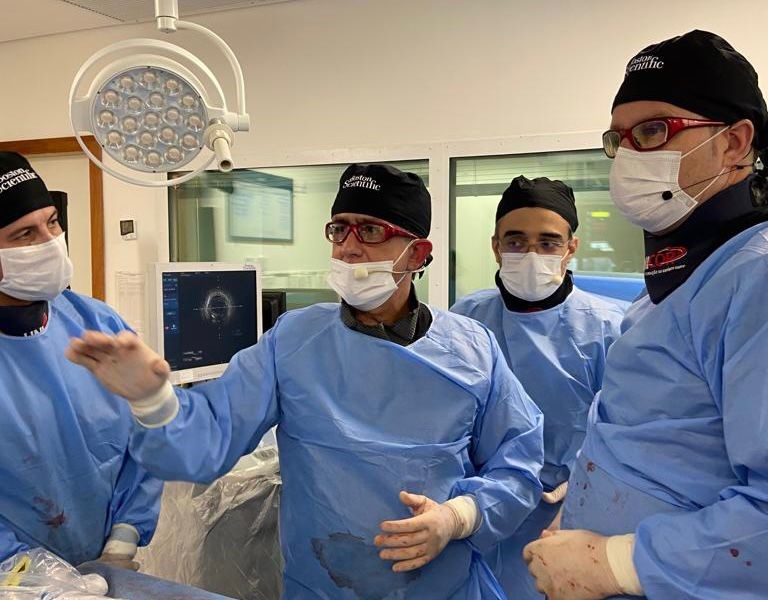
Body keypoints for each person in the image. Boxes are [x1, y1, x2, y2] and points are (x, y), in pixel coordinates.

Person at [67, 163, 545, 599]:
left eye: (371, 230)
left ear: (417, 253)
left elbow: (519, 463)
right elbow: (209, 437)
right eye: (339, 229)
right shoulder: (294, 341)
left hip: (443, 587)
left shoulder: (471, 350)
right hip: (323, 586)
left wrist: (458, 517)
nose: (349, 246)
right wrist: (153, 399)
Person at [522, 30, 768, 600]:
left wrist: (611, 562)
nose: (631, 155)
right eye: (621, 138)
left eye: (654, 131)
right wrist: (587, 497)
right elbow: (656, 440)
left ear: (735, 143)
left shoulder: (754, 280)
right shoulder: (679, 281)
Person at [452, 175, 624, 599]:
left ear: (571, 247)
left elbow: (626, 429)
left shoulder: (610, 329)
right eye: (516, 241)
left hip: (570, 513)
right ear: (496, 246)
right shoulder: (465, 320)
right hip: (482, 507)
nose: (531, 254)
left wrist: (583, 482)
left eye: (548, 243)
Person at [0, 152, 162, 569]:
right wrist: (39, 580)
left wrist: (122, 542)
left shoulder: (97, 324)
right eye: (24, 234)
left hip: (104, 565)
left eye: (52, 222)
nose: (50, 242)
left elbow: (144, 438)